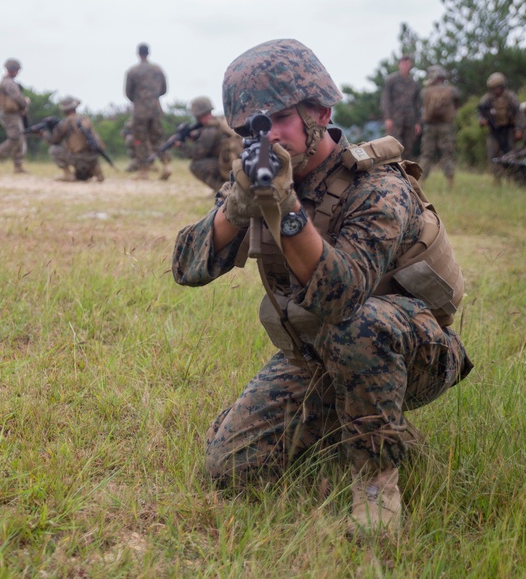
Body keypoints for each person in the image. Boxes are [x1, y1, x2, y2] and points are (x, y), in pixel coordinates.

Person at [172, 39, 472, 536]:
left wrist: (285, 208)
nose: (264, 138)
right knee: (230, 468)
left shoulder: (378, 188)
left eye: (277, 120)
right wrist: (239, 207)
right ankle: (362, 422)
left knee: (360, 324)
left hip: (410, 351)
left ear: (321, 111)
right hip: (319, 354)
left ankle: (377, 483)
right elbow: (186, 266)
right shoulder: (259, 176)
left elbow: (342, 296)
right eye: (247, 130)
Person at [180, 96, 243, 192]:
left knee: (195, 166)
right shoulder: (220, 122)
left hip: (229, 165)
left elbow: (196, 154)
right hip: (236, 163)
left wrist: (181, 146)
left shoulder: (209, 130)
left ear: (198, 114)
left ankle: (223, 190)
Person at [124, 43, 169, 180]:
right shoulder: (157, 69)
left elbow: (128, 93)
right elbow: (164, 90)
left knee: (140, 140)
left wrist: (139, 100)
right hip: (155, 108)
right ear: (148, 53)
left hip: (140, 110)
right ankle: (166, 165)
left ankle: (144, 171)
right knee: (158, 138)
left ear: (138, 54)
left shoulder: (133, 71)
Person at [418, 65, 462, 190]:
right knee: (447, 154)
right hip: (446, 127)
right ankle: (450, 182)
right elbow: (457, 104)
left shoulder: (425, 91)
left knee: (426, 154)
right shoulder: (452, 90)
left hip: (430, 126)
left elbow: (422, 104)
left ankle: (421, 182)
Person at [45, 96, 105, 182]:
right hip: (93, 159)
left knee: (54, 149)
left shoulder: (65, 123)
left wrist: (45, 134)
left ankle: (68, 174)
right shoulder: (86, 120)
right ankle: (98, 174)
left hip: (78, 159)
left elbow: (54, 141)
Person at [0, 58, 31, 173]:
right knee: (15, 138)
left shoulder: (6, 82)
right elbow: (18, 98)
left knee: (20, 139)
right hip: (10, 114)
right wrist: (26, 102)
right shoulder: (9, 83)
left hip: (11, 114)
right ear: (14, 70)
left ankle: (18, 166)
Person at [477, 72, 521, 184]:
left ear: (502, 86)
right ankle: (497, 179)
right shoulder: (487, 99)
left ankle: (513, 178)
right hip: (493, 131)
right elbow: (480, 112)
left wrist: (519, 129)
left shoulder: (510, 97)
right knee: (493, 154)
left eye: (497, 88)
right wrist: (482, 121)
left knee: (511, 153)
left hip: (509, 129)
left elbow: (519, 114)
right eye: (493, 88)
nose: (495, 90)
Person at [380, 54, 422, 159]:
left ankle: (404, 172)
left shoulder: (414, 83)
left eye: (408, 63)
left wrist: (417, 122)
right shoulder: (391, 80)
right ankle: (389, 171)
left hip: (410, 120)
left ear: (411, 65)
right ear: (399, 65)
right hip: (395, 118)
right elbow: (386, 99)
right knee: (391, 145)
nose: (405, 66)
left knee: (408, 147)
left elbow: (417, 104)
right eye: (403, 63)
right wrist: (388, 118)